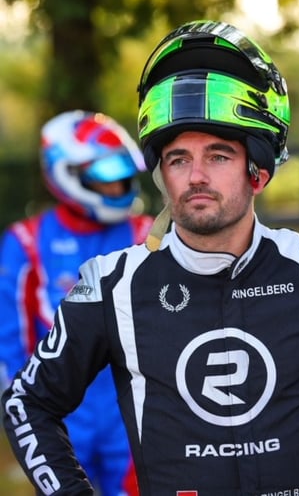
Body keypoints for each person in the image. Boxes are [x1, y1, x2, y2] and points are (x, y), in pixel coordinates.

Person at [1, 19, 299, 496]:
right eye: (178, 159)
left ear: (257, 171)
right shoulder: (111, 286)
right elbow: (27, 404)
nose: (195, 176)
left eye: (218, 156)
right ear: (161, 174)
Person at [0, 110, 153, 495]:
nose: (118, 186)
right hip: (61, 418)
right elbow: (9, 344)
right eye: (106, 176)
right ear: (66, 173)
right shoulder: (26, 242)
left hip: (134, 415)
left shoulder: (149, 234)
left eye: (123, 176)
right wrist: (28, 423)